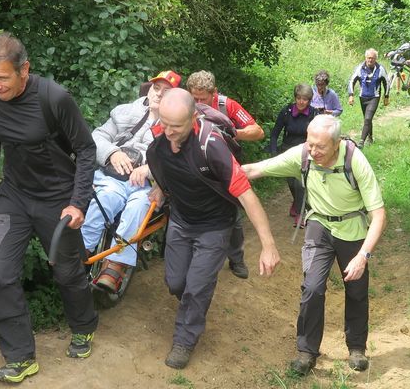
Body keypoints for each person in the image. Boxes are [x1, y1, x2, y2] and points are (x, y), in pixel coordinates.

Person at [0, 32, 98, 383]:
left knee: (67, 271)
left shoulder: (54, 98)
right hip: (14, 195)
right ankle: (21, 357)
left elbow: (86, 150)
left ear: (24, 69)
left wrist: (77, 202)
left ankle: (84, 326)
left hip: (58, 199)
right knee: (1, 272)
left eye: (2, 78)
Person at [146, 88, 280, 369]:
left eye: (176, 126)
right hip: (181, 222)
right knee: (176, 283)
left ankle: (185, 339)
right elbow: (164, 166)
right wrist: (160, 189)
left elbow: (247, 196)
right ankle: (195, 299)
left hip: (215, 227)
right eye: (165, 123)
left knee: (195, 288)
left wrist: (268, 246)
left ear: (194, 118)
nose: (168, 132)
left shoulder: (211, 145)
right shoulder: (160, 134)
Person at [242, 115, 386, 375]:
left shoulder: (355, 160)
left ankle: (356, 348)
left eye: (320, 146)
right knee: (312, 287)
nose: (313, 151)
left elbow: (379, 214)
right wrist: (216, 169)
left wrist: (363, 256)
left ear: (337, 143)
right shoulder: (303, 155)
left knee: (356, 287)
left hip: (352, 227)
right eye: (310, 144)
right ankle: (307, 351)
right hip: (319, 225)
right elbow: (256, 169)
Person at [81, 70, 181, 292]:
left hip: (145, 186)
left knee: (138, 207)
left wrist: (150, 168)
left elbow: (179, 158)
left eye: (167, 92)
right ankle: (81, 252)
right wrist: (112, 153)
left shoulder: (177, 124)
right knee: (105, 199)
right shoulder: (124, 112)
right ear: (150, 88)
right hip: (113, 178)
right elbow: (97, 136)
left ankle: (115, 265)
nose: (159, 95)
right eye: (157, 88)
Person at [186, 70, 264, 279]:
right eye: (195, 98)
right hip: (194, 166)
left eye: (203, 98)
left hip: (225, 169)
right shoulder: (184, 105)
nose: (199, 102)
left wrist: (232, 132)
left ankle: (236, 258)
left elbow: (257, 131)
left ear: (214, 93)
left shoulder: (226, 105)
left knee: (232, 217)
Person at [268, 84, 317, 224]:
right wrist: (273, 152)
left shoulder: (314, 114)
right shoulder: (286, 112)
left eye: (305, 99)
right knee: (290, 182)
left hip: (305, 153)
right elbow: (275, 133)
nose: (301, 102)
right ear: (295, 98)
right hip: (287, 151)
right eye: (299, 98)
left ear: (309, 100)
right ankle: (297, 203)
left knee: (299, 183)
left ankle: (301, 214)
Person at [347, 49, 390, 149]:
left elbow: (386, 83)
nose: (370, 60)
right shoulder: (359, 68)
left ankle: (361, 141)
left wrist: (386, 96)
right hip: (363, 97)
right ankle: (370, 137)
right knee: (367, 119)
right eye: (369, 58)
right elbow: (351, 81)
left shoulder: (380, 69)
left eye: (373, 58)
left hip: (374, 97)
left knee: (367, 118)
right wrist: (351, 95)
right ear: (365, 58)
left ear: (376, 59)